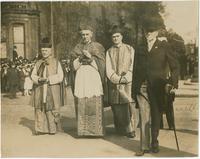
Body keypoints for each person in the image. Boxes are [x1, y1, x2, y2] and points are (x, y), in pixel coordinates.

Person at [133, 18, 179, 155]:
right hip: (141, 86)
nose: (148, 33)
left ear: (157, 32)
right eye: (147, 31)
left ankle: (154, 141)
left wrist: (172, 82)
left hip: (158, 86)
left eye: (151, 31)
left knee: (156, 115)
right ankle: (144, 146)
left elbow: (175, 66)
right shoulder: (140, 47)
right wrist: (133, 88)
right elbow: (135, 68)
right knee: (144, 116)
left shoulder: (164, 46)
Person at [70, 24, 106, 137]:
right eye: (83, 34)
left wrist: (90, 58)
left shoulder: (98, 47)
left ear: (91, 34)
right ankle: (83, 131)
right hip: (81, 76)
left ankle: (96, 131)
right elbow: (73, 67)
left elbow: (102, 64)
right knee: (82, 101)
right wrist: (80, 58)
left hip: (93, 75)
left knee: (94, 100)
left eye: (87, 34)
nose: (85, 36)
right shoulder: (77, 47)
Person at [106, 26, 137, 138]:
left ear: (121, 37)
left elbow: (133, 64)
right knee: (116, 105)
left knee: (127, 104)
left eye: (117, 36)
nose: (115, 38)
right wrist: (116, 78)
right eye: (113, 37)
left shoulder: (130, 49)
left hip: (127, 82)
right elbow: (108, 68)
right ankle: (119, 128)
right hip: (114, 82)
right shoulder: (109, 51)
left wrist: (127, 77)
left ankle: (130, 129)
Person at [31, 40, 64, 135]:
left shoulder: (56, 62)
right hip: (40, 88)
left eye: (46, 50)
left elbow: (60, 76)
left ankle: (52, 129)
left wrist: (49, 79)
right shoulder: (38, 63)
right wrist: (38, 79)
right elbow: (32, 75)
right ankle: (41, 129)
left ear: (50, 50)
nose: (44, 52)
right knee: (40, 107)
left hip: (52, 88)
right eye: (43, 50)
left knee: (51, 108)